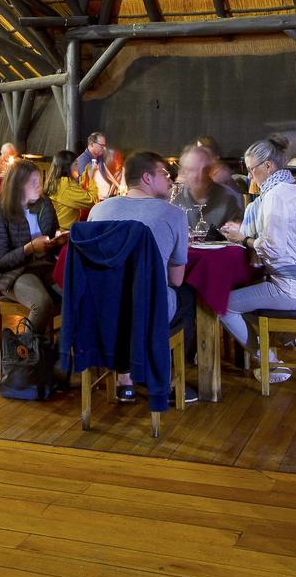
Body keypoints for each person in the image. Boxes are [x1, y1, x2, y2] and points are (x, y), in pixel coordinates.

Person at [89, 150, 198, 403]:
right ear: (147, 178)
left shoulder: (98, 210)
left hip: (101, 309)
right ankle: (163, 379)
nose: (170, 179)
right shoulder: (173, 214)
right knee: (186, 296)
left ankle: (125, 378)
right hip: (146, 310)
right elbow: (176, 279)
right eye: (164, 173)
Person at [218, 136, 296, 382]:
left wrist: (243, 239)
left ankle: (272, 365)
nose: (250, 175)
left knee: (223, 305)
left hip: (294, 287)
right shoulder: (289, 188)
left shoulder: (275, 196)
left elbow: (274, 248)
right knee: (249, 299)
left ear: (268, 166)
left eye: (251, 169)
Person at [0, 160, 65, 331]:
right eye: (33, 182)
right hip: (14, 273)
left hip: (45, 265)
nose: (39, 186)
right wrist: (29, 248)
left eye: (39, 181)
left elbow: (53, 233)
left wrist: (59, 240)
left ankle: (65, 344)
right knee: (42, 303)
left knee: (78, 293)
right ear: (18, 185)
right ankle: (26, 347)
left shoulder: (45, 204)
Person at [171, 143, 242, 233]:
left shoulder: (229, 198)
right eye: (193, 170)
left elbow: (237, 233)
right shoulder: (173, 198)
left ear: (211, 170)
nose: (199, 175)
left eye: (204, 169)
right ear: (184, 172)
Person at [44, 149, 100, 230]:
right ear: (67, 167)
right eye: (76, 164)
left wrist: (87, 175)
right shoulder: (66, 186)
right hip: (64, 233)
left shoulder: (60, 182)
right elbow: (93, 202)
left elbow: (80, 192)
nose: (78, 167)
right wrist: (92, 178)